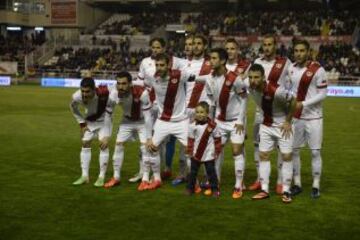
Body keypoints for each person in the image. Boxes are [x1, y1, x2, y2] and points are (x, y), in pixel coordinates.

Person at [144, 53, 198, 191]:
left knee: (190, 152)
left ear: (168, 65)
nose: (159, 68)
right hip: (163, 121)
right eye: (157, 65)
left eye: (162, 65)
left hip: (181, 121)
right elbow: (144, 86)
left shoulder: (179, 75)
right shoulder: (151, 76)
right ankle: (156, 179)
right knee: (151, 148)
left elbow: (197, 78)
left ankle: (194, 182)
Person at [246, 64, 296, 203]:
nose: (252, 80)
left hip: (283, 125)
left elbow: (294, 101)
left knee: (286, 156)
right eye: (250, 77)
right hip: (266, 125)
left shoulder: (277, 90)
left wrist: (288, 121)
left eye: (256, 77)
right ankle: (264, 190)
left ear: (263, 78)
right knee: (263, 155)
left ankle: (286, 190)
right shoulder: (251, 87)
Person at [249, 35, 292, 195]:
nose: (267, 47)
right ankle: (260, 180)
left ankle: (281, 181)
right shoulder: (257, 63)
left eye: (270, 44)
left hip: (278, 111)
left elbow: (291, 84)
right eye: (264, 45)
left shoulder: (285, 63)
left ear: (275, 46)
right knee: (257, 146)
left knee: (282, 148)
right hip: (261, 112)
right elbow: (249, 82)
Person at [205, 48, 247, 199]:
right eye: (210, 58)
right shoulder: (209, 78)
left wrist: (241, 120)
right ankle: (215, 183)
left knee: (237, 151)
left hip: (236, 121)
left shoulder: (234, 77)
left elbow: (243, 98)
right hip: (219, 121)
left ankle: (238, 186)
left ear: (222, 61)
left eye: (214, 58)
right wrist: (210, 121)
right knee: (215, 152)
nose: (211, 61)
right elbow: (210, 102)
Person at [288, 39, 327, 198]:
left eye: (302, 51)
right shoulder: (291, 68)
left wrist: (302, 104)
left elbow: (323, 94)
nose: (298, 54)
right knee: (295, 151)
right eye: (296, 51)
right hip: (297, 118)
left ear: (308, 52)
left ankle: (316, 185)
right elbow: (291, 90)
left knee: (315, 152)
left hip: (314, 118)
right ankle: (297, 184)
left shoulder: (318, 69)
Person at [103, 71, 153, 189]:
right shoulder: (114, 94)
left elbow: (148, 116)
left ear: (130, 84)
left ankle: (145, 179)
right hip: (127, 121)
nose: (121, 86)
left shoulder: (142, 92)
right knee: (118, 146)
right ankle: (116, 177)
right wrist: (106, 135)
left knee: (145, 148)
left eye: (124, 83)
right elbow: (108, 115)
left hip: (142, 121)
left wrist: (149, 137)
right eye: (118, 83)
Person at [69, 77, 113, 187]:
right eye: (83, 91)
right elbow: (73, 107)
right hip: (90, 121)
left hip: (104, 121)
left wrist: (107, 135)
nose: (84, 94)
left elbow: (109, 114)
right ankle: (85, 176)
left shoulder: (105, 93)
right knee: (85, 143)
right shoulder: (77, 96)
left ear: (94, 89)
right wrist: (82, 124)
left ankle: (101, 177)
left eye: (87, 91)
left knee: (103, 145)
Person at [187, 102, 222, 197]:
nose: (199, 114)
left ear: (207, 113)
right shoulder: (192, 125)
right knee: (193, 173)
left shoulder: (213, 125)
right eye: (197, 112)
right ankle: (190, 188)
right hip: (196, 154)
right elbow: (190, 140)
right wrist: (190, 151)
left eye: (202, 112)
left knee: (211, 173)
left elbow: (217, 139)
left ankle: (215, 189)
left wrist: (217, 151)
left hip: (208, 153)